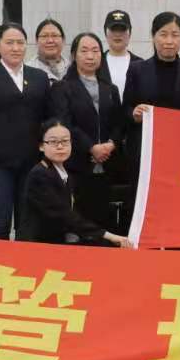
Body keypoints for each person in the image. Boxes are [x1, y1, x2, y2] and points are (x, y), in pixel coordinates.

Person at [122, 12, 180, 218]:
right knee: (143, 202)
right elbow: (125, 108)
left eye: (175, 35)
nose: (169, 41)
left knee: (176, 203)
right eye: (163, 34)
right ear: (153, 36)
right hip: (145, 150)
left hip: (179, 152)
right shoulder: (137, 69)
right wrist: (133, 113)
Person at [0, 21, 50, 240]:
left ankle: (25, 261)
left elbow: (47, 118)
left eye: (20, 42)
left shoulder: (39, 77)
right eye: (9, 42)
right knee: (0, 222)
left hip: (32, 163)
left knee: (28, 223)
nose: (16, 48)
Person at [48, 32, 126, 232]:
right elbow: (65, 124)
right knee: (79, 222)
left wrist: (111, 144)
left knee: (105, 221)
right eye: (84, 51)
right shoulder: (62, 87)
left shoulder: (110, 89)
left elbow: (119, 123)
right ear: (74, 55)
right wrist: (91, 147)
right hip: (77, 165)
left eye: (95, 50)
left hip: (108, 165)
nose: (90, 56)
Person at [24, 119, 135, 247]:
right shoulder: (39, 175)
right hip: (38, 246)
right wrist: (108, 236)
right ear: (41, 146)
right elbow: (65, 215)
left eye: (65, 141)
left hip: (57, 243)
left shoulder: (63, 173)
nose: (60, 146)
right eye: (53, 142)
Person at [104, 9, 140, 97]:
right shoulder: (97, 62)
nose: (117, 34)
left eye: (122, 30)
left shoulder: (140, 64)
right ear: (106, 33)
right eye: (113, 30)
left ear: (129, 34)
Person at [30, 17, 69, 83]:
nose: (50, 40)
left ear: (63, 40)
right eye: (44, 36)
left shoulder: (73, 68)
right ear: (36, 41)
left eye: (54, 35)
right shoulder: (27, 71)